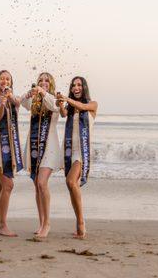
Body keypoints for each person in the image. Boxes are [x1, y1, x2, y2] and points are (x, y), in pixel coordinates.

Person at [21, 72, 62, 238]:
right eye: (40, 80)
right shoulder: (35, 101)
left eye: (46, 80)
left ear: (51, 84)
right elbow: (22, 102)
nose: (43, 82)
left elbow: (54, 107)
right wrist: (29, 93)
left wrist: (43, 92)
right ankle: (41, 222)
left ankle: (47, 224)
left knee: (42, 182)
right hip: (34, 147)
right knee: (36, 185)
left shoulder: (55, 99)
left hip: (50, 147)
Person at [57, 76, 98, 239]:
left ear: (84, 87)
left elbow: (81, 106)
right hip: (70, 149)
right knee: (72, 186)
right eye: (73, 85)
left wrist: (67, 99)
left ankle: (81, 222)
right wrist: (61, 103)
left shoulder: (92, 105)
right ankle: (79, 223)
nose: (76, 87)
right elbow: (63, 113)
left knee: (70, 181)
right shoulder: (71, 108)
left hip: (82, 151)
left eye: (79, 85)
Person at [0, 70, 23, 237]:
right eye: (2, 78)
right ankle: (3, 225)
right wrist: (1, 103)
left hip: (9, 145)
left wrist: (10, 98)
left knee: (2, 185)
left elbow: (21, 101)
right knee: (8, 184)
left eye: (8, 78)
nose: (5, 80)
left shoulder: (13, 101)